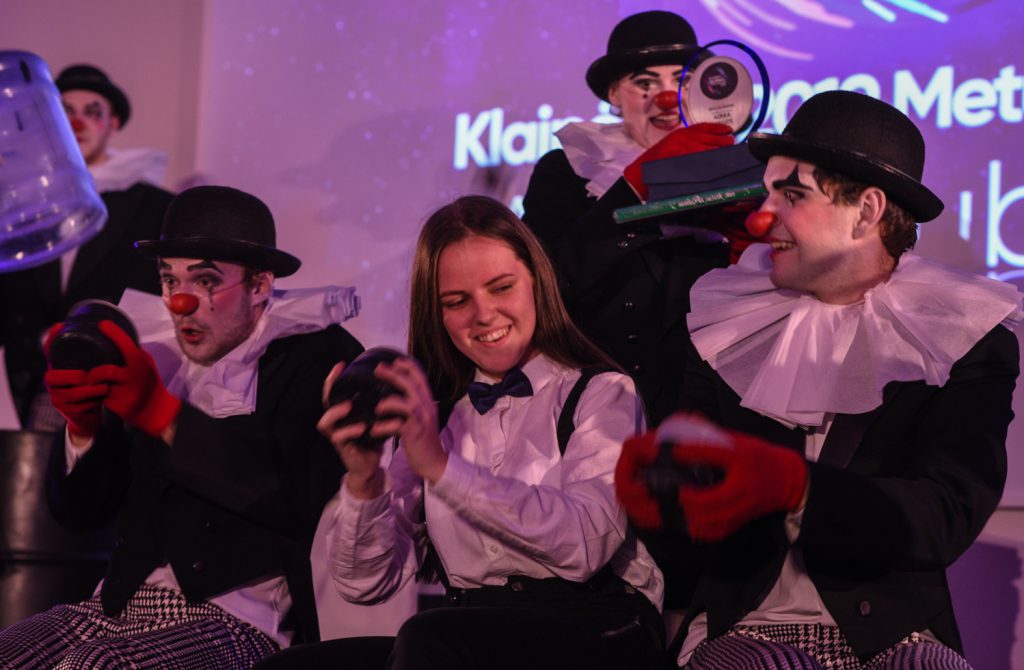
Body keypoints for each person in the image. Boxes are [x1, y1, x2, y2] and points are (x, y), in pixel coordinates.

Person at [615, 90, 1023, 669]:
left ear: (867, 211)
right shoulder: (727, 325)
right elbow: (691, 534)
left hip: (893, 632)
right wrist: (663, 493)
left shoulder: (963, 335)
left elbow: (943, 516)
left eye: (792, 195)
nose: (761, 217)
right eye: (767, 193)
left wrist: (799, 489)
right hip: (746, 626)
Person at [0, 185, 364, 668]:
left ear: (259, 285)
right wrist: (84, 430)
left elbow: (287, 492)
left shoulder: (314, 357)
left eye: (206, 280)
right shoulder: (158, 352)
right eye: (169, 279)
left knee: (92, 667)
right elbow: (81, 515)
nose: (180, 303)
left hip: (238, 619)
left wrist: (161, 413)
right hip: (115, 606)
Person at [309, 195, 665, 670]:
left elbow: (584, 546)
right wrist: (365, 479)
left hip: (598, 624)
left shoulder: (602, 392)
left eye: (501, 288)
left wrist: (443, 469)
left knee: (429, 637)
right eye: (457, 302)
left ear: (537, 282)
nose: (483, 315)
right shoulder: (435, 421)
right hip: (471, 630)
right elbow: (365, 584)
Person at [522, 10, 759, 425]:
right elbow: (548, 282)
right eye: (645, 83)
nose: (666, 99)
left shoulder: (741, 174)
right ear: (614, 95)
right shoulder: (567, 171)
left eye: (682, 81)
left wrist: (750, 249)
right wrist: (635, 188)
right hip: (600, 410)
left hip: (705, 411)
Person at [0, 63, 173, 431]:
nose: (77, 123)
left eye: (93, 113)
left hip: (111, 385)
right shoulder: (21, 201)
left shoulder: (154, 206)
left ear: (112, 123)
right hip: (25, 385)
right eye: (65, 112)